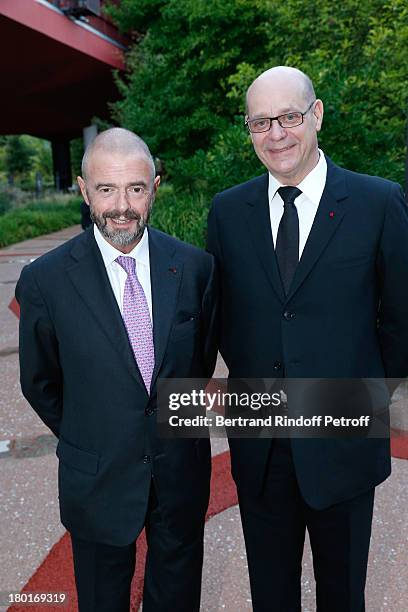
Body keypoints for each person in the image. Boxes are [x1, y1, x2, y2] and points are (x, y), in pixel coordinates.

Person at [207, 66, 408, 611]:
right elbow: (222, 318)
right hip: (261, 447)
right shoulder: (227, 212)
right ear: (248, 130)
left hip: (344, 440)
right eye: (261, 122)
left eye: (290, 117)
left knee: (344, 595)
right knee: (270, 595)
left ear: (316, 115)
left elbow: (401, 320)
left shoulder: (379, 202)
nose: (277, 134)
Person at [16, 128, 218, 612]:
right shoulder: (44, 279)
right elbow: (40, 382)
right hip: (97, 477)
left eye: (136, 188)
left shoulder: (194, 267)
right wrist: (94, 431)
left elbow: (199, 362)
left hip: (179, 471)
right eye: (106, 189)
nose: (122, 206)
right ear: (84, 191)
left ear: (155, 187)